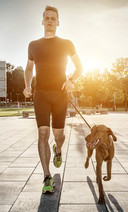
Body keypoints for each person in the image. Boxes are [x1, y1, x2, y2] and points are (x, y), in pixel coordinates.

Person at [23, 5, 83, 193]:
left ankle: (58, 150)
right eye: (47, 18)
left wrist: (72, 80)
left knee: (59, 136)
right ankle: (47, 177)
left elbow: (80, 67)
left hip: (59, 95)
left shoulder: (66, 43)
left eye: (53, 18)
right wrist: (27, 85)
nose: (50, 21)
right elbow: (28, 68)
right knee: (42, 133)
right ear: (42, 21)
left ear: (58, 22)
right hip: (40, 94)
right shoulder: (33, 45)